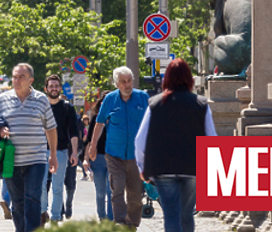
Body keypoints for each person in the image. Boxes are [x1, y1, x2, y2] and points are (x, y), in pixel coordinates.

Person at [135, 59, 217, 232]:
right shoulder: (201, 104)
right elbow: (211, 139)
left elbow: (140, 140)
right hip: (193, 167)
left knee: (171, 215)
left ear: (166, 79)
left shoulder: (155, 104)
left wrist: (142, 166)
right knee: (186, 215)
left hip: (163, 168)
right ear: (190, 79)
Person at [0, 63, 57, 232]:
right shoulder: (2, 99)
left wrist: (53, 155)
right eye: (14, 77)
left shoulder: (41, 99)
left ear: (31, 80)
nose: (17, 80)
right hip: (10, 160)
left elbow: (50, 128)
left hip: (36, 159)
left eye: (22, 77)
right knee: (18, 201)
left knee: (33, 198)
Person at [87, 67, 149, 229]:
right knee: (117, 190)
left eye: (129, 80)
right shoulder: (110, 100)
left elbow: (151, 123)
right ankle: (120, 223)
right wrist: (92, 146)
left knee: (135, 194)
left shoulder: (142, 98)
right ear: (116, 83)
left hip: (137, 155)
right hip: (114, 154)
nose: (127, 84)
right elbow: (99, 123)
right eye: (123, 81)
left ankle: (132, 224)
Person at [43, 75, 79, 223]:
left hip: (61, 152)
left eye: (56, 86)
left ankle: (56, 217)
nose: (54, 89)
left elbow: (73, 131)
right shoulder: (41, 107)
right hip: (41, 151)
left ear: (60, 88)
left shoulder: (67, 107)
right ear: (46, 89)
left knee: (58, 187)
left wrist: (75, 152)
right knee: (41, 185)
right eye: (51, 86)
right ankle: (42, 213)